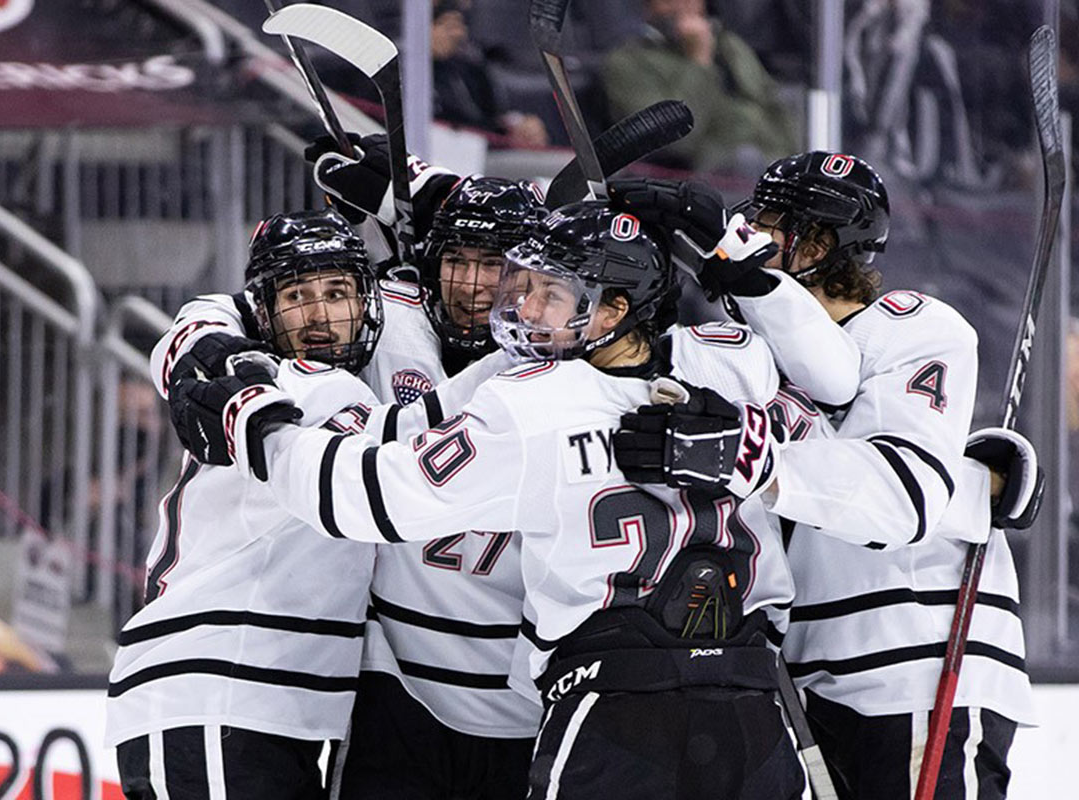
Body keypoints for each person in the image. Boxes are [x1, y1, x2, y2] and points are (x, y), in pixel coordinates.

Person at [171, 199, 808, 800]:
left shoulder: (537, 401)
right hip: (755, 703)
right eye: (526, 288)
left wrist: (257, 426)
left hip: (614, 709)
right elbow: (827, 388)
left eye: (551, 295)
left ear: (611, 311)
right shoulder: (732, 367)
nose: (525, 310)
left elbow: (366, 499)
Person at [613, 152, 1039, 799]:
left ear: (819, 243)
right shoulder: (753, 355)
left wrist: (740, 456)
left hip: (918, 670)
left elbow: (900, 497)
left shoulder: (911, 324)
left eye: (769, 223)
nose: (749, 232)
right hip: (805, 682)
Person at [164, 137, 551, 796]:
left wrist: (429, 189)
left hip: (525, 704)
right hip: (394, 692)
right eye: (459, 261)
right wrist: (218, 355)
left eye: (499, 267)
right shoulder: (383, 318)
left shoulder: (570, 361)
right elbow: (244, 306)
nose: (477, 286)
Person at [105, 209, 385, 800]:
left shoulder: (249, 370)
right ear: (265, 311)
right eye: (296, 295)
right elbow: (404, 475)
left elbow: (205, 316)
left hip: (254, 705)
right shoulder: (312, 387)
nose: (317, 315)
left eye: (337, 292)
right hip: (219, 694)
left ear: (366, 303)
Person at [600, 0, 798, 172]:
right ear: (647, 7)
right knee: (747, 160)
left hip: (767, 160)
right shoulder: (630, 62)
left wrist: (792, 159)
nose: (683, 7)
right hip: (704, 175)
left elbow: (774, 105)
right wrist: (699, 63)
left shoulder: (731, 46)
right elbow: (675, 143)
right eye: (669, 1)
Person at [431, 0, 549, 148]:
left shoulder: (469, 68)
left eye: (460, 25)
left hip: (481, 150)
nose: (457, 33)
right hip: (440, 153)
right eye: (447, 26)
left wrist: (519, 124)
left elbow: (496, 115)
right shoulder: (407, 73)